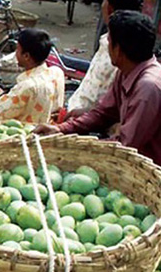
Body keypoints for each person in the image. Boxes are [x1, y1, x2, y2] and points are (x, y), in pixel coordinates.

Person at [36, 11, 161, 166]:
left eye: (109, 42)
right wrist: (61, 129)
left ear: (118, 50)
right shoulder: (125, 71)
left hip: (146, 169)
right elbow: (103, 113)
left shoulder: (147, 89)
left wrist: (79, 148)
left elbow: (125, 146)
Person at [67, 0, 143, 118]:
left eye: (104, 0)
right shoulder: (110, 41)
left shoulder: (122, 53)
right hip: (78, 112)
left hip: (88, 121)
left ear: (109, 8)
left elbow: (110, 111)